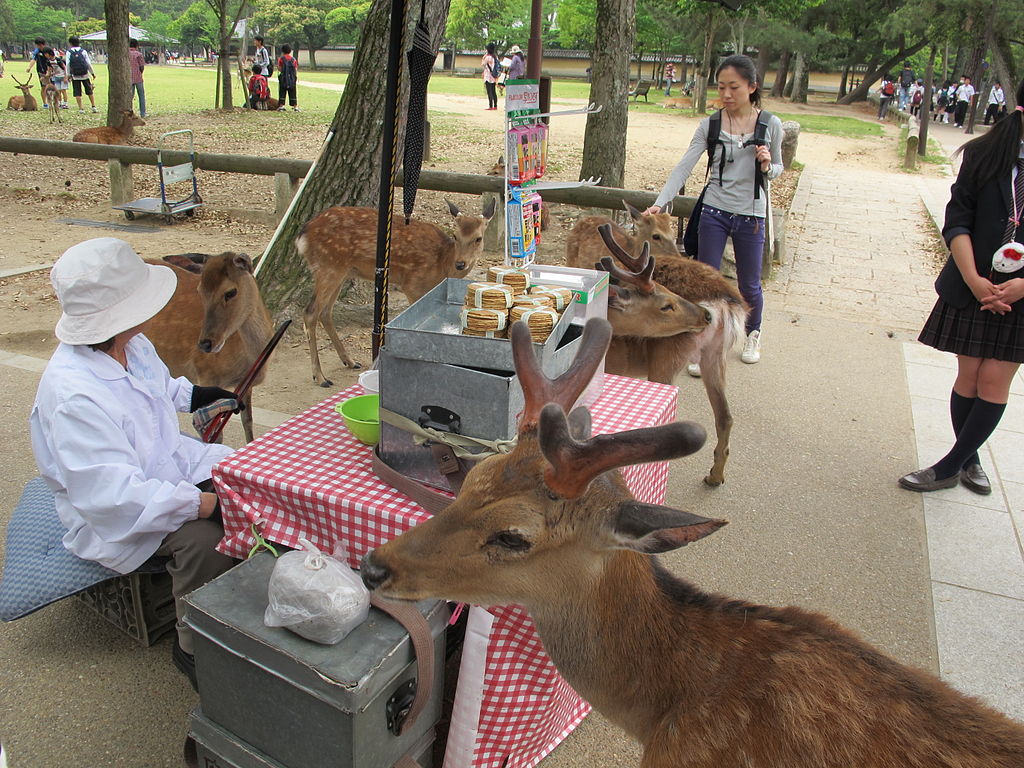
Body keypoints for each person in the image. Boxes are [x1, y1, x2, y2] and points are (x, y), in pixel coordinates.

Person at [30, 238, 242, 688]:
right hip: (119, 511)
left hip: (168, 467)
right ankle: (191, 646)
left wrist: (200, 395)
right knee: (207, 541)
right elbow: (114, 497)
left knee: (251, 478)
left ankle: (234, 604)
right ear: (121, 312)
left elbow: (158, 390)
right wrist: (205, 505)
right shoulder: (74, 397)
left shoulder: (133, 344)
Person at [899, 80, 1024, 494]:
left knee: (993, 380)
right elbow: (958, 218)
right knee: (968, 376)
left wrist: (1021, 285)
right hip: (974, 283)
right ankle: (969, 460)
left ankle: (949, 466)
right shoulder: (983, 153)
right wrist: (973, 280)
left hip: (1020, 295)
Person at [646, 54, 783, 367]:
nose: (726, 94)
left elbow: (777, 168)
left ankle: (753, 333)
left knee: (749, 283)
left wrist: (767, 165)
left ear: (752, 86)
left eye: (733, 87)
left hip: (751, 213)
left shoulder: (770, 124)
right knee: (705, 281)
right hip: (714, 211)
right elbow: (685, 165)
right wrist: (662, 201)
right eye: (721, 87)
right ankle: (702, 345)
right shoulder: (711, 125)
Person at [65, 36, 97, 114]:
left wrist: (68, 74)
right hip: (85, 74)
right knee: (89, 90)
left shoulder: (69, 52)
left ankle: (81, 108)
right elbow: (88, 63)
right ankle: (93, 106)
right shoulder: (83, 51)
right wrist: (92, 73)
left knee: (77, 92)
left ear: (70, 43)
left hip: (75, 76)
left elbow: (68, 64)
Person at [276, 44, 298, 111]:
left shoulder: (281, 59)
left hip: (283, 78)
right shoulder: (293, 59)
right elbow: (295, 69)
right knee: (293, 92)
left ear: (282, 51)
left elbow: (279, 68)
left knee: (282, 91)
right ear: (290, 51)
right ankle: (295, 106)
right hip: (292, 78)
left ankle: (281, 105)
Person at [128, 38, 146, 118]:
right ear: (136, 45)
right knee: (141, 95)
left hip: (128, 78)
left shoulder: (126, 54)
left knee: (129, 97)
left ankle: (129, 113)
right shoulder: (139, 54)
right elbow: (141, 66)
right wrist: (140, 72)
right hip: (138, 78)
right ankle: (143, 113)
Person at [482, 43, 499, 110]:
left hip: (488, 75)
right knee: (493, 91)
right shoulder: (495, 57)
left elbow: (483, 64)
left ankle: (490, 105)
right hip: (494, 75)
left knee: (489, 91)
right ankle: (495, 105)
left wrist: (484, 56)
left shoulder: (487, 57)